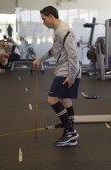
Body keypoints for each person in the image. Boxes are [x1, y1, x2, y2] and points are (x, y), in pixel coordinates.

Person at [33, 6, 81, 147]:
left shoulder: (62, 31)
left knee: (52, 99)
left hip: (67, 71)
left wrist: (72, 75)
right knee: (65, 100)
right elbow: (55, 50)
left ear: (51, 16)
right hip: (66, 70)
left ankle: (71, 132)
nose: (43, 22)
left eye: (44, 19)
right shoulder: (57, 31)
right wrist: (40, 59)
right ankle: (69, 134)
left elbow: (72, 54)